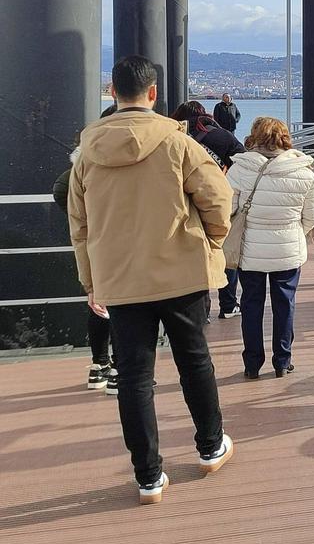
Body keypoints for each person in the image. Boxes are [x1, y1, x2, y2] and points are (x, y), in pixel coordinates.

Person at [68, 54, 235, 504]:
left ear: (112, 92)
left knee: (135, 377)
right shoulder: (177, 142)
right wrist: (210, 240)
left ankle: (148, 476)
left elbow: (78, 226)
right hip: (181, 271)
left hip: (121, 279)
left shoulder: (87, 154)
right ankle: (210, 446)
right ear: (154, 93)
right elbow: (219, 198)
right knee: (195, 361)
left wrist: (91, 281)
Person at [226, 117, 314, 380]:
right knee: (285, 303)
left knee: (251, 304)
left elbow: (228, 210)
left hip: (250, 251)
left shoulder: (239, 169)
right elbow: (311, 218)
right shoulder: (303, 172)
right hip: (287, 250)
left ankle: (252, 363)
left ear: (254, 137)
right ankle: (282, 360)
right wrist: (293, 233)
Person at [53, 103, 120, 396]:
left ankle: (98, 364)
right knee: (126, 306)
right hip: (125, 242)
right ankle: (119, 366)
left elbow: (61, 190)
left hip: (94, 242)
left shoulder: (82, 159)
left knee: (98, 303)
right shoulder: (126, 159)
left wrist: (83, 217)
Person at [172, 101, 246, 319]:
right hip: (218, 200)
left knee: (191, 255)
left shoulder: (175, 137)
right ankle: (228, 304)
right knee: (224, 250)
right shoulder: (221, 135)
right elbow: (242, 160)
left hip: (183, 202)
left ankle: (201, 310)